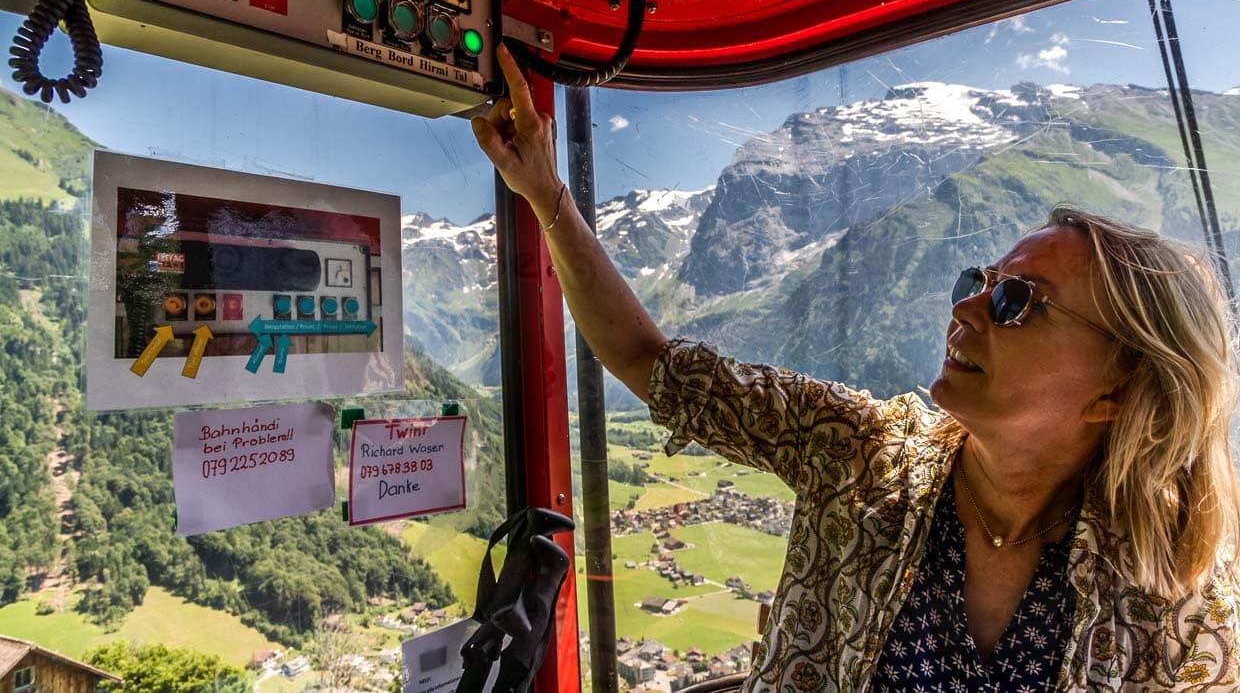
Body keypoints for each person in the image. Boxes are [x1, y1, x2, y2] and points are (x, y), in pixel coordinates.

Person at [470, 44, 1240, 691]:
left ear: (1117, 389)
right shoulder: (861, 454)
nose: (966, 309)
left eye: (1015, 301)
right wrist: (544, 192)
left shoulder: (1177, 598)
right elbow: (652, 363)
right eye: (976, 281)